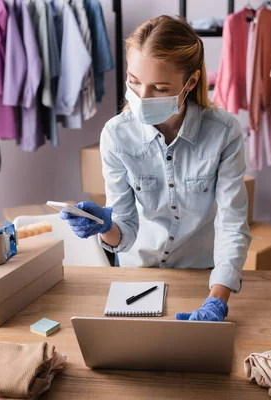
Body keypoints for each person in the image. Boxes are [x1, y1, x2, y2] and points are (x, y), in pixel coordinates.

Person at [61, 15, 252, 322]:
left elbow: (232, 223)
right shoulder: (116, 134)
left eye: (160, 88)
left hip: (201, 277)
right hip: (137, 275)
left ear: (190, 83)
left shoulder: (223, 132)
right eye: (134, 81)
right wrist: (104, 226)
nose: (142, 98)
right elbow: (124, 232)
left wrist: (218, 299)